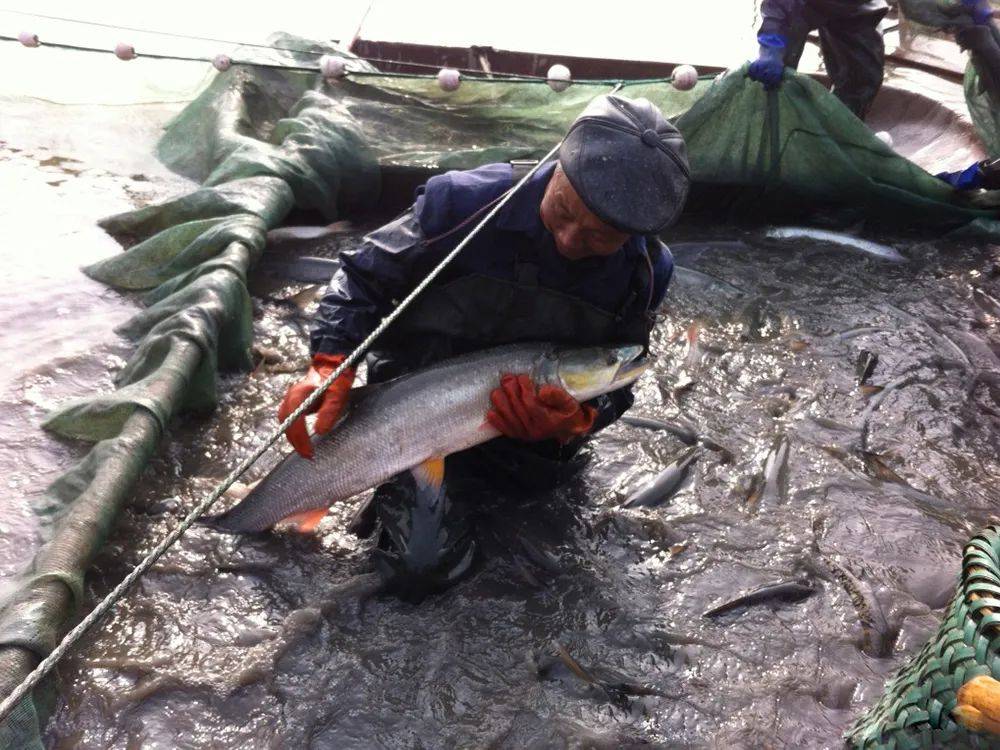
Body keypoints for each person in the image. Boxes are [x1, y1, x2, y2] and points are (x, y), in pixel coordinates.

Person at [278, 94, 691, 600]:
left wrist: (577, 422)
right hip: (415, 412)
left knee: (550, 568)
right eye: (562, 211)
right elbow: (361, 277)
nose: (567, 239)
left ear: (632, 236)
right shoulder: (463, 203)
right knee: (421, 572)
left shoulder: (647, 272)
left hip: (533, 442)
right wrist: (329, 363)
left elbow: (623, 373)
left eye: (597, 238)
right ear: (556, 163)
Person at [748, 0, 890, 120]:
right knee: (775, 75)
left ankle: (841, 130)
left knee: (862, 79)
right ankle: (770, 121)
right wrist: (771, 47)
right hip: (802, 6)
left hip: (857, 8)